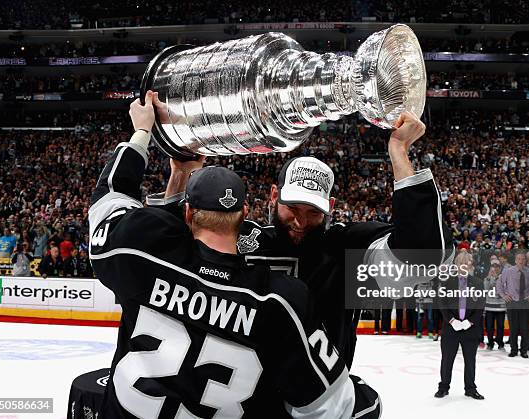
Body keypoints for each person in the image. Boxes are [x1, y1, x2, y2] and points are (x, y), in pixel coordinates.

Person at [86, 91, 361, 418]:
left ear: (188, 213)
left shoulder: (139, 253)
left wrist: (143, 132)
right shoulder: (277, 301)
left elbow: (111, 198)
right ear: (246, 214)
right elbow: (332, 405)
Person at [153, 109, 452, 372]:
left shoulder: (346, 251)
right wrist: (180, 174)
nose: (300, 221)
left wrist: (399, 150)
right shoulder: (240, 237)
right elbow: (164, 247)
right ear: (273, 195)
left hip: (318, 403)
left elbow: (423, 258)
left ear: (330, 207)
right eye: (292, 208)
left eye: (313, 212)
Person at [435, 251, 486, 400]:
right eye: (461, 263)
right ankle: (443, 387)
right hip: (451, 328)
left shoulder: (478, 283)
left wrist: (469, 322)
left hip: (470, 329)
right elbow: (442, 303)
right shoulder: (446, 282)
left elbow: (480, 305)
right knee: (447, 359)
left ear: (471, 265)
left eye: (467, 263)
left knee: (470, 360)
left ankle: (470, 388)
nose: (464, 266)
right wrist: (452, 321)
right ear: (456, 265)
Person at [497, 252, 529, 358]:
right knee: (513, 328)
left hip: (525, 302)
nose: (521, 261)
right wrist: (503, 295)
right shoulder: (507, 271)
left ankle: (524, 350)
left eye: (523, 259)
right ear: (515, 260)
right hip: (512, 302)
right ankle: (514, 350)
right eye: (519, 259)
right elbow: (499, 283)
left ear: (525, 261)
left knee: (525, 328)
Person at [483, 261, 505, 350]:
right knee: (489, 326)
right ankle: (490, 343)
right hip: (489, 305)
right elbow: (486, 289)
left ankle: (500, 342)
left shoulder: (504, 278)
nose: (495, 268)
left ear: (500, 268)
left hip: (500, 306)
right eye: (493, 266)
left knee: (500, 326)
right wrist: (490, 278)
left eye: (497, 266)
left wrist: (497, 279)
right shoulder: (487, 278)